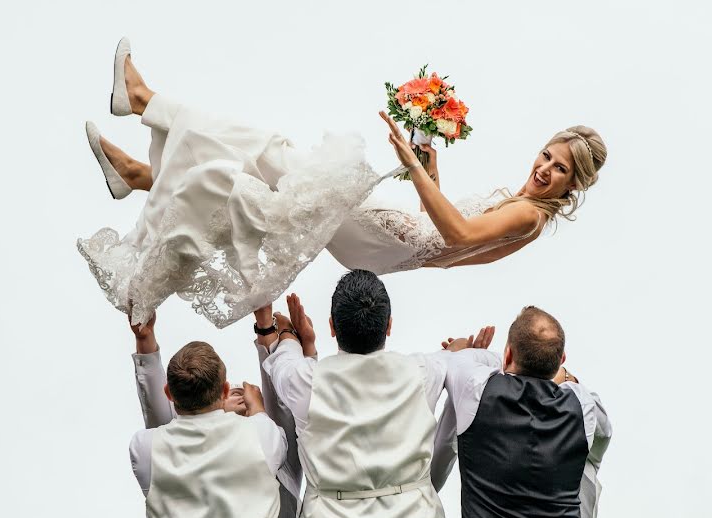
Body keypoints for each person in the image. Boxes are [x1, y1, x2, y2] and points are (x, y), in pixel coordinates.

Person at [78, 37, 608, 328]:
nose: (545, 168)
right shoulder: (519, 203)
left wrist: (416, 170)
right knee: (269, 169)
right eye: (547, 155)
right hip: (387, 239)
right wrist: (429, 164)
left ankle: (148, 107)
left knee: (278, 161)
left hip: (385, 242)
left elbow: (459, 239)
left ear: (572, 184)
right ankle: (144, 174)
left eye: (560, 169)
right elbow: (450, 230)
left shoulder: (532, 216)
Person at [260, 271, 492, 518]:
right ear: (389, 326)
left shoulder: (308, 381)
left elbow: (283, 359)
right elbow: (462, 360)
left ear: (332, 327)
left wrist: (283, 331)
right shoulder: (423, 371)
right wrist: (462, 355)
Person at [430, 306, 610, 518]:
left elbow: (457, 360)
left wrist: (461, 348)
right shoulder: (582, 405)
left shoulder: (475, 389)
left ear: (508, 355)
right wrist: (562, 376)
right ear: (561, 361)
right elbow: (605, 428)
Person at [127, 310, 308, 518]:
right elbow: (279, 416)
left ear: (169, 393)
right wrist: (256, 405)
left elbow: (160, 422)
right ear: (224, 389)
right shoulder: (261, 435)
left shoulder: (145, 448)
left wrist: (144, 339)